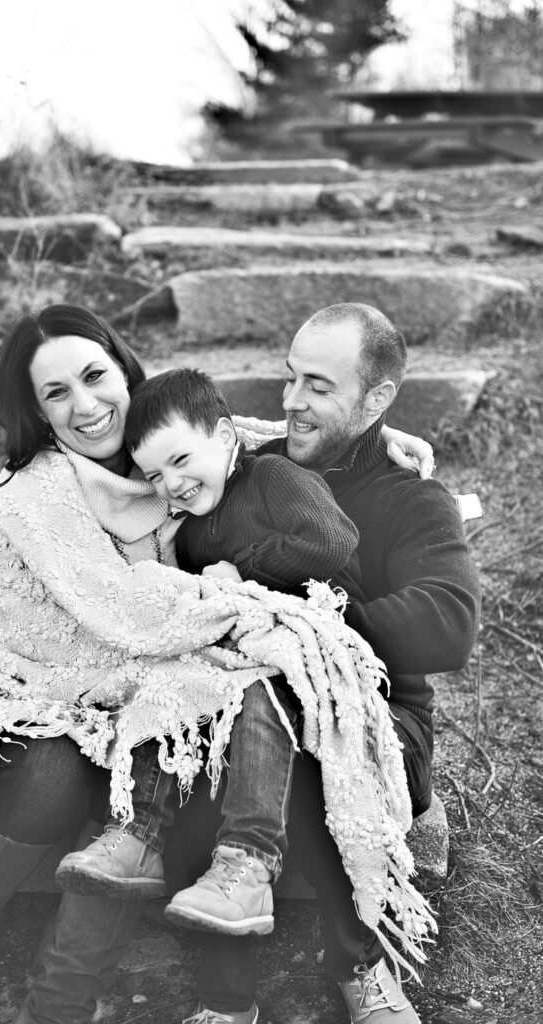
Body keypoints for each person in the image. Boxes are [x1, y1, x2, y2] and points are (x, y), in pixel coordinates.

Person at [0, 302, 434, 1024]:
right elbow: (127, 610)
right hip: (38, 687)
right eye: (56, 393)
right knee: (67, 768)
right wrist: (249, 603)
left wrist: (371, 440)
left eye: (95, 376)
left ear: (124, 371)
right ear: (35, 412)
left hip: (141, 688)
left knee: (186, 742)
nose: (86, 405)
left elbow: (230, 439)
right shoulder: (34, 497)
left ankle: (60, 1002)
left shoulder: (147, 451)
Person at [178, 303, 481, 1024]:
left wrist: (304, 633)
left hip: (380, 721)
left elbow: (448, 625)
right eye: (290, 379)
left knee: (307, 756)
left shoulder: (413, 499)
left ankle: (359, 966)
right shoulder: (253, 472)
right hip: (244, 707)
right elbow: (165, 438)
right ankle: (226, 1003)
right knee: (215, 751)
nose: (290, 402)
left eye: (318, 385)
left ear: (376, 400)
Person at [55, 367, 365, 939]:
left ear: (225, 437)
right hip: (238, 646)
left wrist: (241, 574)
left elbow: (332, 542)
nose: (169, 483)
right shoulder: (191, 526)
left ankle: (248, 864)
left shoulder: (273, 476)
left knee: (257, 689)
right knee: (171, 679)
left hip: (304, 645)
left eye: (179, 461)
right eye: (153, 474)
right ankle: (138, 834)